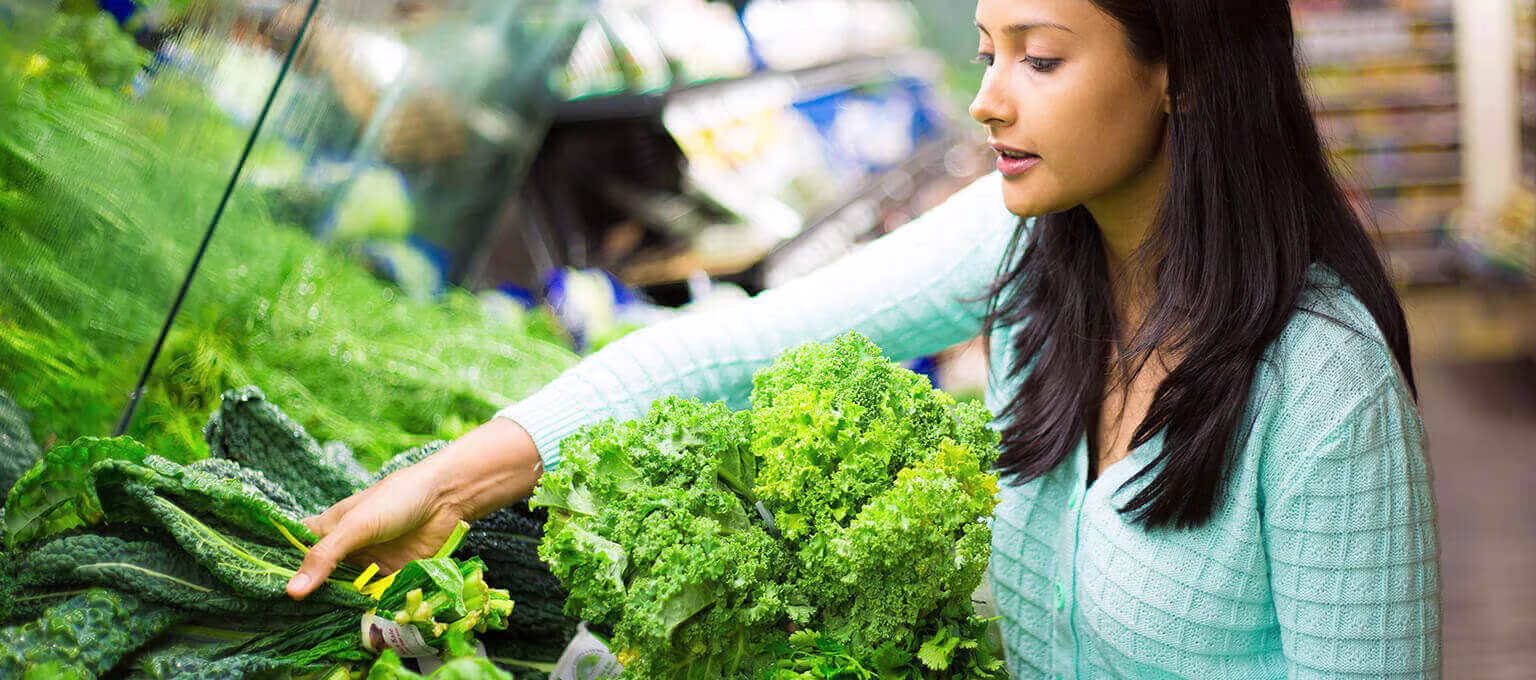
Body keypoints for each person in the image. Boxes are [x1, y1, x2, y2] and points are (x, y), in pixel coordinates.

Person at [287, 0, 1441, 677]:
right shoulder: (1032, 250)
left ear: (1180, 68)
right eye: (986, 50)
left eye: (1039, 57)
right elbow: (733, 350)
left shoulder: (1325, 388)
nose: (990, 96)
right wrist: (447, 485)